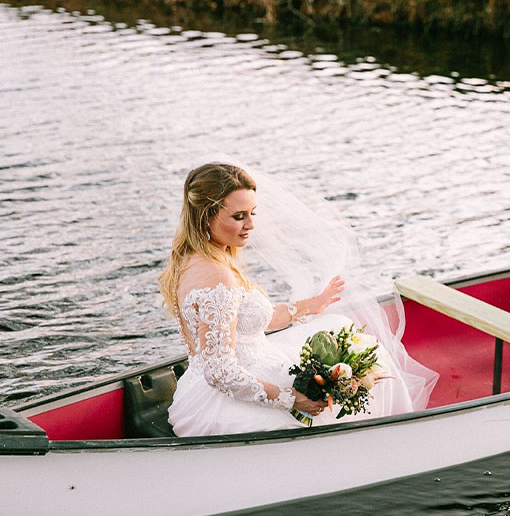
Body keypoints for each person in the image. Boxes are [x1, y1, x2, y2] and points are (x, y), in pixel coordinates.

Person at [158, 162, 438, 435]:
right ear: (206, 215)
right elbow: (220, 372)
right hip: (229, 395)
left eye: (252, 213)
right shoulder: (216, 276)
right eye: (239, 216)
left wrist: (310, 306)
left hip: (231, 371)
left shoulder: (196, 257)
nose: (251, 224)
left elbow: (243, 321)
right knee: (346, 382)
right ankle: (394, 438)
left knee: (341, 328)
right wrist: (291, 399)